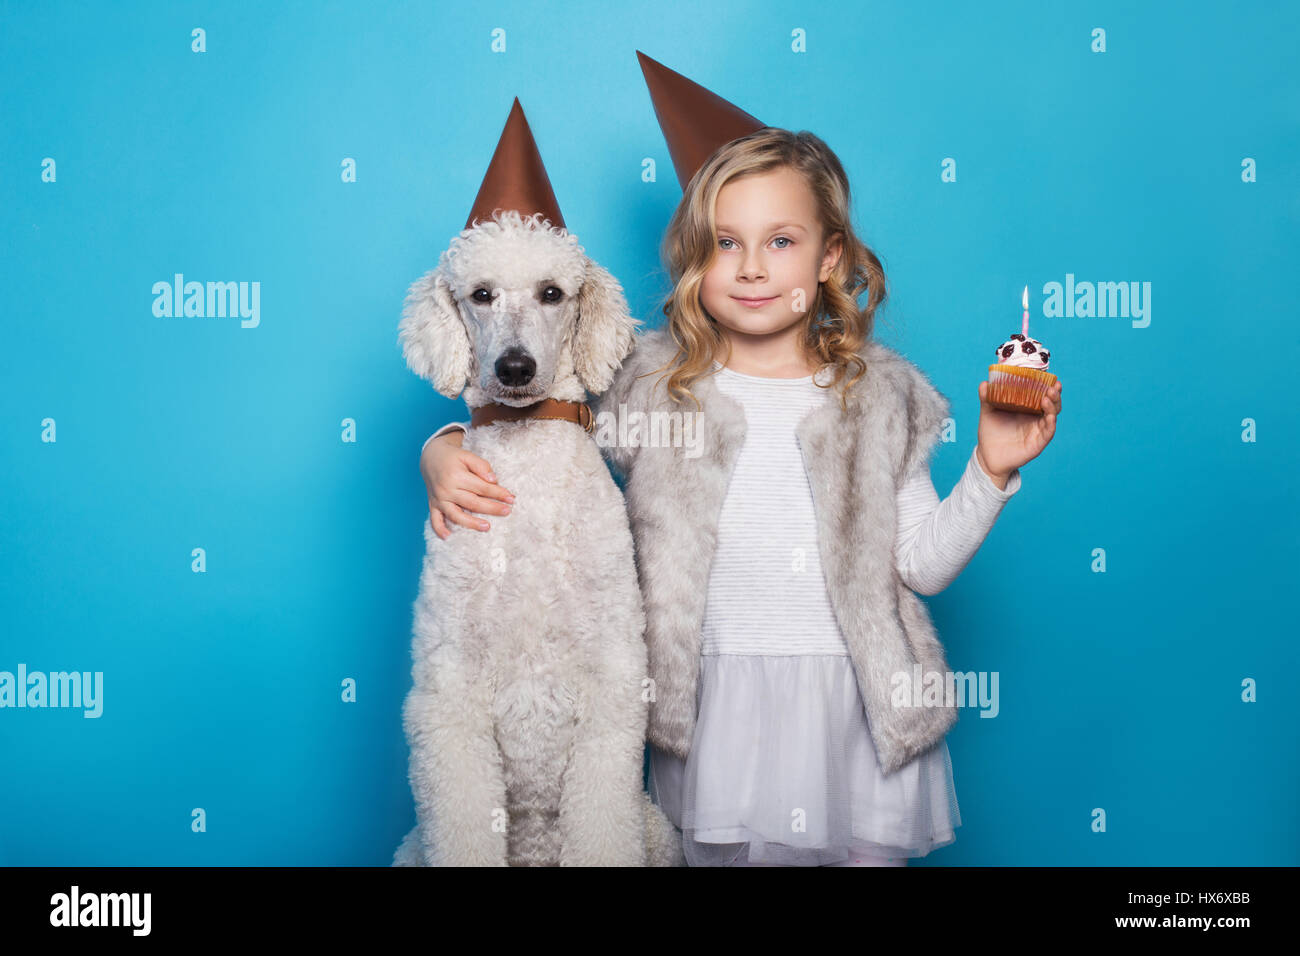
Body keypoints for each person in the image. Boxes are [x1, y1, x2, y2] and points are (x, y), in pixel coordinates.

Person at [418, 127, 1062, 866]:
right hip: (715, 719)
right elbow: (545, 436)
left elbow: (920, 565)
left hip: (854, 719)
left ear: (829, 258)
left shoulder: (879, 396)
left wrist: (989, 470)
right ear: (696, 259)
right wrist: (442, 447)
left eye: (781, 241)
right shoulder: (650, 387)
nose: (753, 269)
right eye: (726, 243)